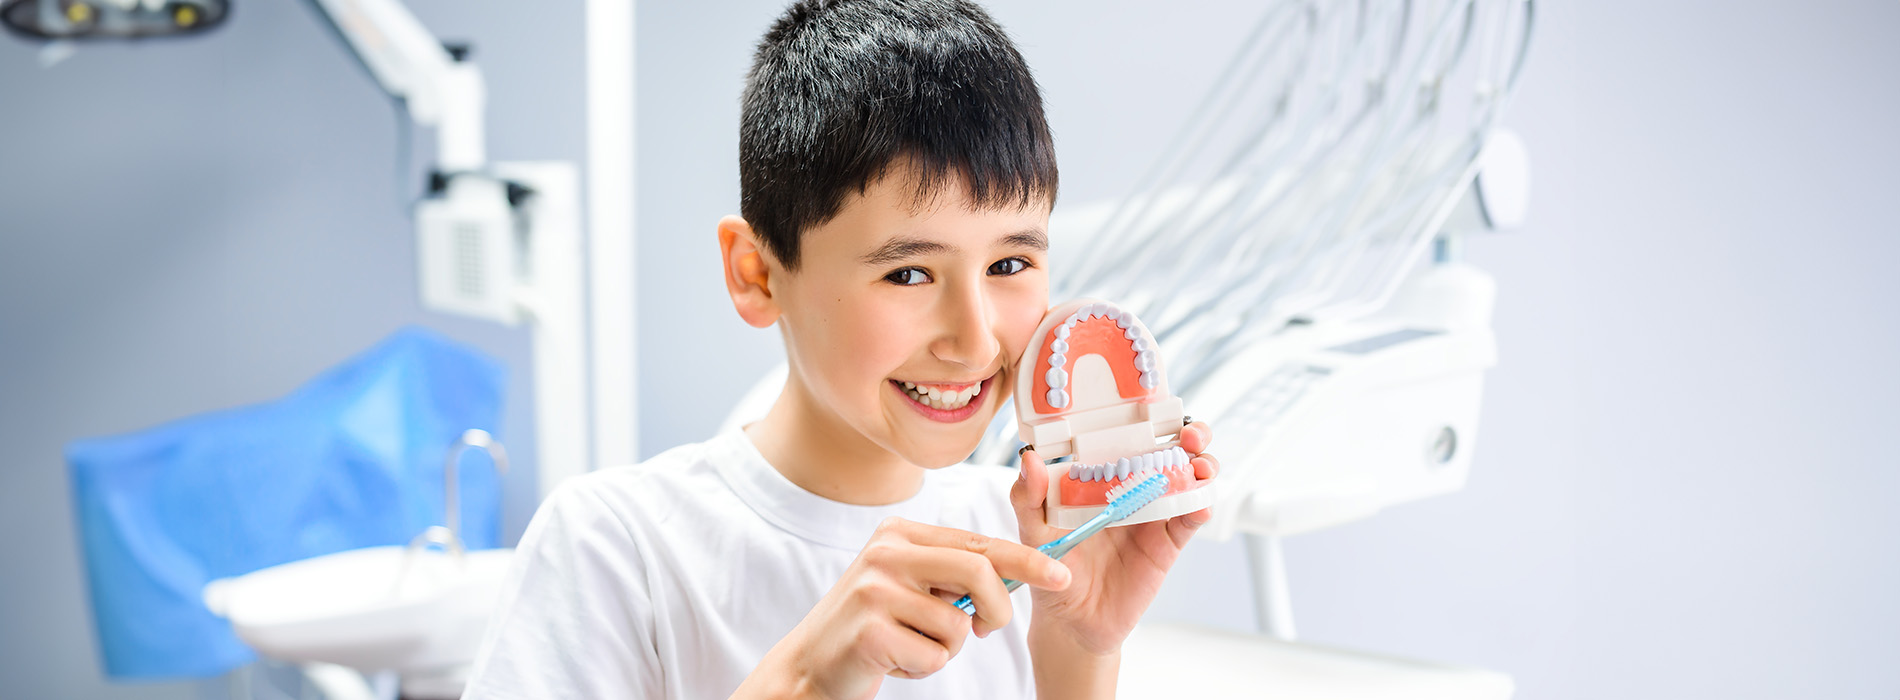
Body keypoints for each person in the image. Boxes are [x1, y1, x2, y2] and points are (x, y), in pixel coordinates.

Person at [462, 1, 1221, 697]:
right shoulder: (614, 548)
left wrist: (1079, 651)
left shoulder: (1030, 537)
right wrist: (806, 678)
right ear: (757, 274)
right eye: (909, 272)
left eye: (1009, 265)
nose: (976, 336)